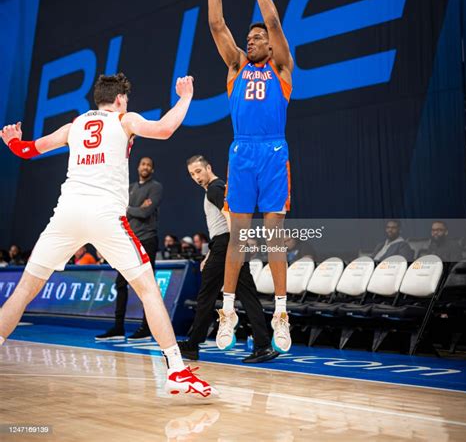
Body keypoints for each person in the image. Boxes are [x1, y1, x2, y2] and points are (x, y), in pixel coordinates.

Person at [0, 72, 217, 398]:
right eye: (125, 100)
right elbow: (165, 129)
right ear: (119, 100)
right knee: (148, 291)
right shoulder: (124, 119)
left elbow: (30, 150)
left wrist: (13, 140)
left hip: (67, 215)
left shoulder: (74, 126)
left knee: (22, 293)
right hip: (105, 217)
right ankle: (176, 370)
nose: (126, 104)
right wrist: (185, 97)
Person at [208, 0, 293, 352]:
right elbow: (216, 25)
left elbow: (274, 20)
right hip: (241, 151)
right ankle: (226, 312)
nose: (253, 39)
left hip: (274, 151)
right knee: (237, 239)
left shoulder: (280, 66)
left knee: (274, 235)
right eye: (251, 36)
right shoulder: (236, 67)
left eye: (257, 37)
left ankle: (281, 313)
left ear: (270, 46)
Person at [179, 155, 278, 363]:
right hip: (225, 244)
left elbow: (230, 216)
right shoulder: (219, 188)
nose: (196, 177)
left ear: (209, 167)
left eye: (198, 171)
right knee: (248, 295)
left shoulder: (215, 188)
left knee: (206, 295)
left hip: (226, 246)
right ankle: (263, 345)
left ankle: (192, 345)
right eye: (191, 174)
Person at [96, 156, 163, 342]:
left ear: (152, 169)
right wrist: (131, 209)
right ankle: (118, 327)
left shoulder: (155, 187)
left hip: (147, 239)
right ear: (138, 167)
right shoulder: (130, 188)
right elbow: (119, 212)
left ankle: (146, 327)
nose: (146, 167)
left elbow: (144, 212)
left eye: (149, 165)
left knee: (146, 285)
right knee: (120, 284)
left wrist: (127, 208)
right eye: (143, 164)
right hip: (128, 241)